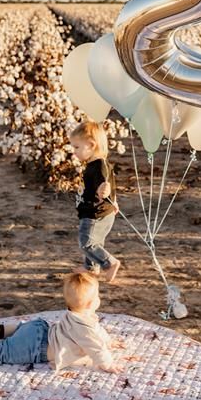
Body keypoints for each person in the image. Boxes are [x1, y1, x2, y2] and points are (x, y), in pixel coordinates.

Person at [0, 272, 124, 373]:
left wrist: (108, 341)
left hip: (40, 329)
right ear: (91, 303)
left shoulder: (75, 314)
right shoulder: (84, 327)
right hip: (38, 347)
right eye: (97, 297)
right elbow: (95, 348)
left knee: (22, 331)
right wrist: (107, 364)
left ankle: (0, 330)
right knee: (6, 350)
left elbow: (98, 332)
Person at [69, 120, 121, 283]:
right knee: (96, 241)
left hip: (95, 214)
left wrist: (104, 190)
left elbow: (105, 183)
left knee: (87, 242)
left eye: (77, 147)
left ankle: (109, 263)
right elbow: (112, 183)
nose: (74, 151)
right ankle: (91, 267)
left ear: (91, 145)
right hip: (103, 212)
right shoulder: (98, 164)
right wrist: (114, 200)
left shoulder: (98, 166)